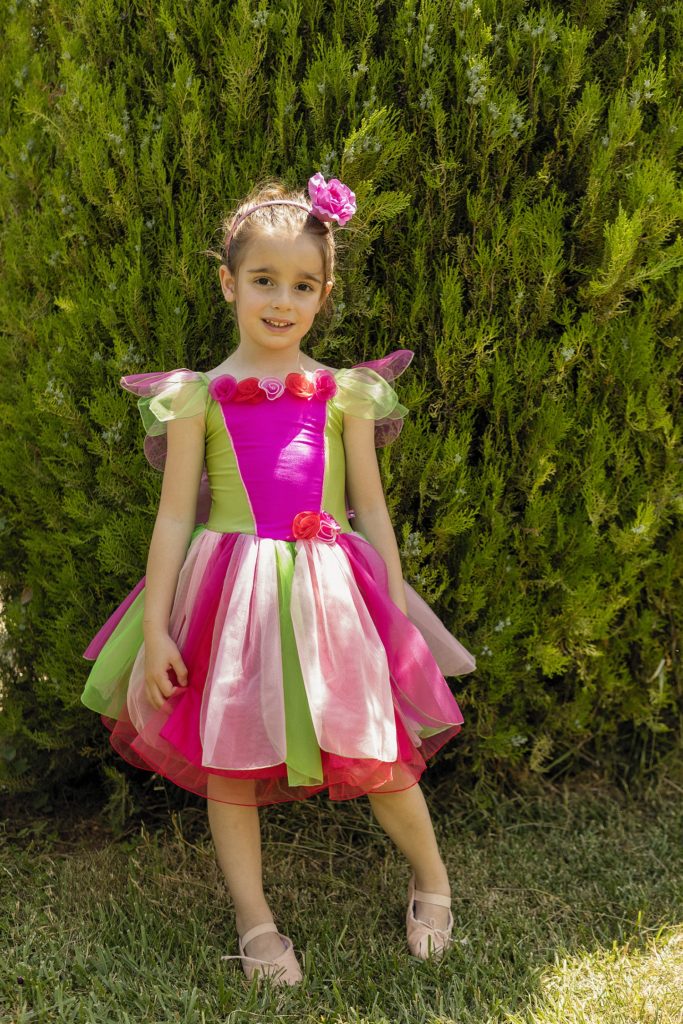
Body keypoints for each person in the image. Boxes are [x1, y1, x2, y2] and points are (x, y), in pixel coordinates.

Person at [81, 172, 476, 987]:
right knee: (228, 760)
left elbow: (370, 508)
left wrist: (394, 610)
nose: (281, 300)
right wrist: (155, 628)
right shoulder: (196, 399)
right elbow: (173, 519)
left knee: (373, 744)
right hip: (229, 599)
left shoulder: (345, 394)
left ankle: (432, 883)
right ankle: (254, 923)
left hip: (332, 596)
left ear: (324, 296)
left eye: (301, 285)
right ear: (229, 284)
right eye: (264, 280)